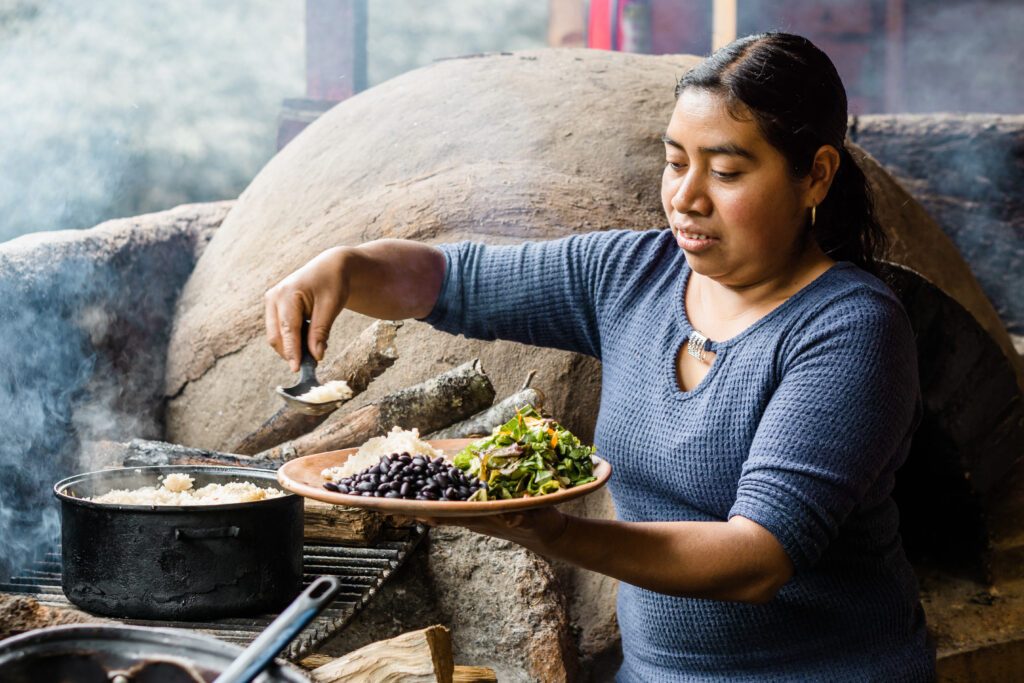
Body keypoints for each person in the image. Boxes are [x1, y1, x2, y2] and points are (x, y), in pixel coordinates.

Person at [264, 33, 935, 682]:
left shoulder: (851, 330)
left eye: (726, 171)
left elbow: (758, 558)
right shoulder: (631, 274)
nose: (686, 197)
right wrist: (344, 268)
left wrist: (554, 532)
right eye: (676, 162)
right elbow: (451, 281)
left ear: (815, 175)